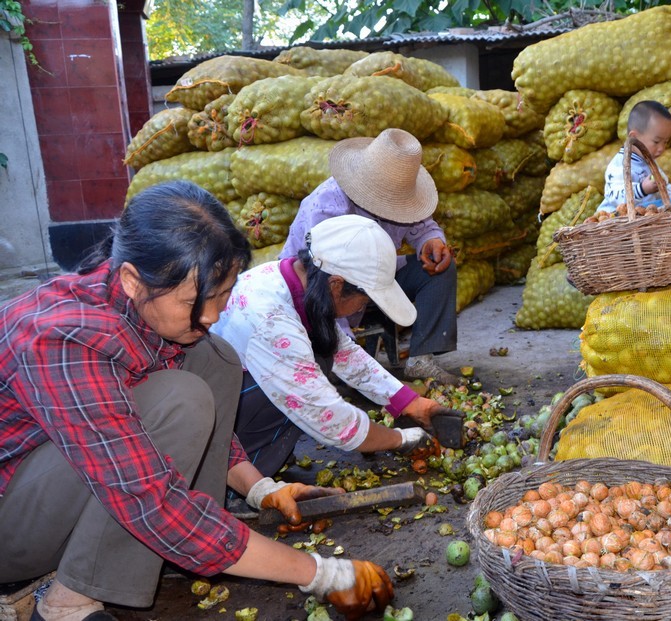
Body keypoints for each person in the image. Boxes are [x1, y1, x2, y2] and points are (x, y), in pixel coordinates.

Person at [0, 182, 393, 621]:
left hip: (59, 488)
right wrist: (319, 572)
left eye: (222, 295)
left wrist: (261, 488)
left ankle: (174, 549)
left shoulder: (144, 305)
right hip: (11, 527)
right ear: (132, 279)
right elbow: (147, 495)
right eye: (194, 300)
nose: (210, 315)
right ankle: (68, 603)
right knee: (179, 400)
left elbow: (207, 414)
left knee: (214, 356)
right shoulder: (65, 339)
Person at [212, 215, 450, 478]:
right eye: (364, 299)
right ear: (336, 285)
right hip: (215, 427)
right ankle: (241, 475)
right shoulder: (273, 321)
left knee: (324, 351)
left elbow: (344, 354)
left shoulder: (298, 283)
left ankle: (265, 452)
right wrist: (401, 440)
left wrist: (409, 403)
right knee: (309, 376)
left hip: (231, 393)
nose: (363, 307)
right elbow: (326, 415)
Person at [279, 128, 461, 386]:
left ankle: (421, 360)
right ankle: (339, 355)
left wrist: (431, 241)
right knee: (330, 377)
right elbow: (324, 283)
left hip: (375, 279)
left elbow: (423, 226)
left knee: (441, 269)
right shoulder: (326, 206)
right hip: (318, 291)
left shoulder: (404, 196)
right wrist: (348, 356)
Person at [589, 100, 671, 219]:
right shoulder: (618, 165)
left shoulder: (650, 163)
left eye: (665, 142)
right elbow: (614, 196)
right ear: (634, 137)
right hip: (614, 222)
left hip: (642, 219)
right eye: (656, 142)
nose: (661, 148)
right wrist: (642, 189)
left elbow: (665, 187)